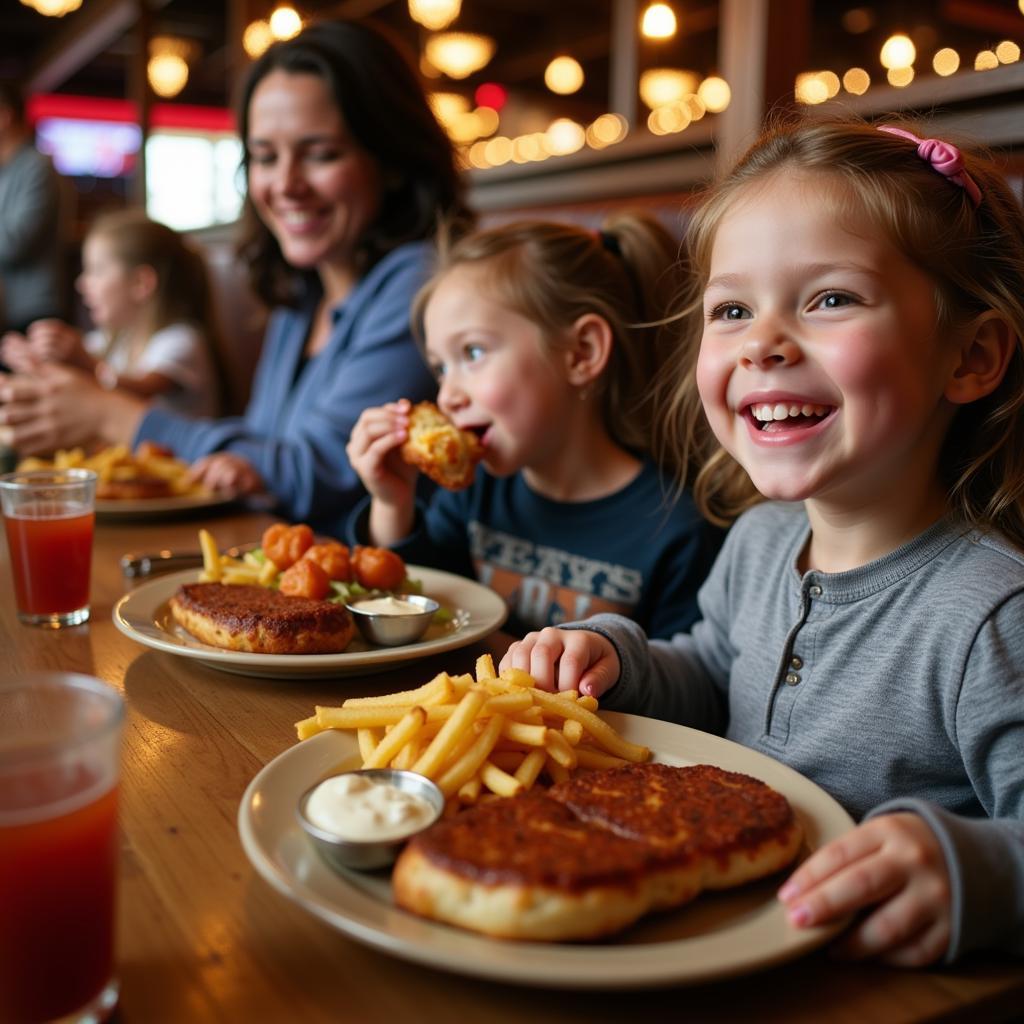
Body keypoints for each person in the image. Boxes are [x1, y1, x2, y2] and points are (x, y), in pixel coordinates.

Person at [500, 117, 1024, 964]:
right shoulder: (757, 540)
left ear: (970, 355)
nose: (763, 344)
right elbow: (713, 672)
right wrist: (617, 659)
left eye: (831, 299)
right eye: (733, 309)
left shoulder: (992, 614)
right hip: (697, 933)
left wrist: (978, 874)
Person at [0, 20, 469, 525]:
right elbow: (258, 449)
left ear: (392, 160)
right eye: (265, 157)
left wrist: (108, 413)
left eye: (321, 154)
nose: (285, 185)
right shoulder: (302, 293)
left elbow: (315, 476)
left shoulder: (421, 285)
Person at [345, 216, 724, 638]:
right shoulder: (474, 496)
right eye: (439, 367)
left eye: (472, 352)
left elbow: (681, 686)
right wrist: (393, 503)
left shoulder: (677, 530)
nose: (447, 394)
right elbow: (421, 618)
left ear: (582, 352)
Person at [1, 209, 224, 418]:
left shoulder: (182, 341)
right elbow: (74, 378)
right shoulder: (112, 341)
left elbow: (136, 398)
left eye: (96, 271)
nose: (82, 284)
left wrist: (83, 363)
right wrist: (37, 363)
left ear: (140, 283)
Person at [0, 80, 67, 335]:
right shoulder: (7, 171)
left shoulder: (36, 167)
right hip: (10, 310)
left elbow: (15, 243)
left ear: (4, 116)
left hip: (34, 311)